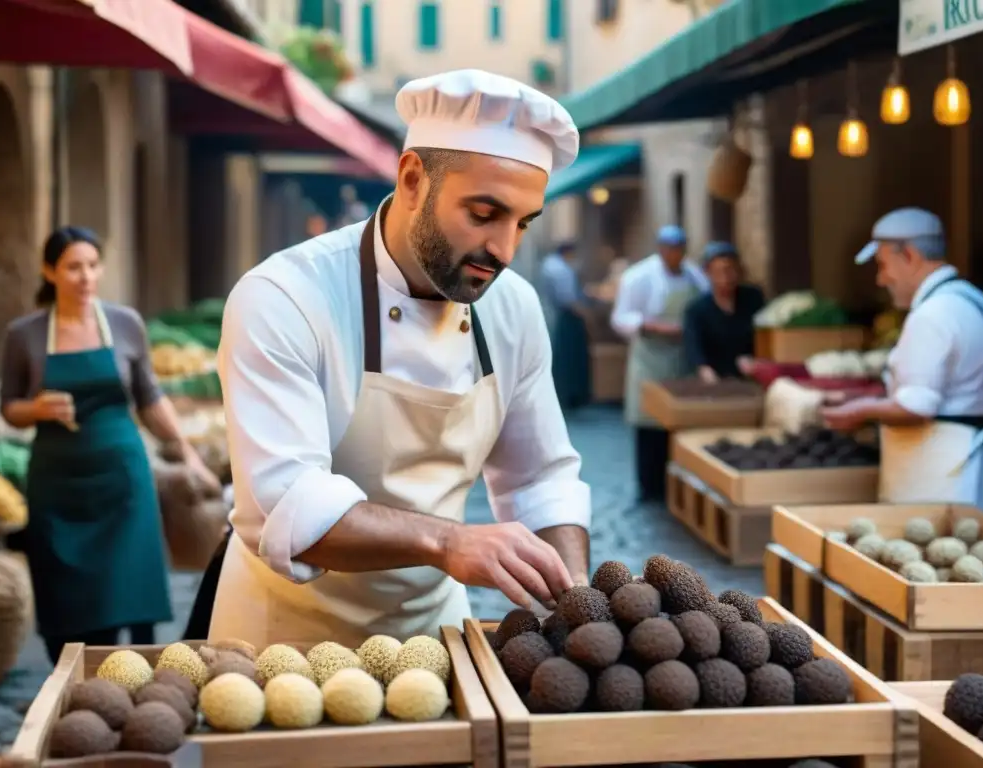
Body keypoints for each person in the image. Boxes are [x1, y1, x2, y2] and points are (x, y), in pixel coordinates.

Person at [201, 69, 591, 649]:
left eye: (523, 224)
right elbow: (290, 505)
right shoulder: (284, 297)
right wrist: (450, 543)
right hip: (281, 642)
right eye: (484, 215)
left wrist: (577, 594)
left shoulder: (515, 308)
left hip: (437, 637)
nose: (504, 251)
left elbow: (539, 477)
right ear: (412, 179)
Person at [0, 226, 221, 663]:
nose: (85, 277)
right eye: (73, 267)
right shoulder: (24, 334)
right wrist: (36, 409)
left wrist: (187, 453)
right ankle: (69, 680)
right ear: (49, 271)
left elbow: (150, 398)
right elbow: (9, 405)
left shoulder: (124, 324)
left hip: (122, 474)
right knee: (65, 595)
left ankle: (138, 677)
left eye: (92, 266)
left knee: (132, 584)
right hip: (58, 479)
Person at [821, 208, 983, 512]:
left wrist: (858, 411)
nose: (881, 279)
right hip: (960, 463)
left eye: (883, 265)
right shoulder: (973, 300)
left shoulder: (932, 315)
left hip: (938, 474)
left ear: (908, 255)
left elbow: (916, 406)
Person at [611, 225, 709, 501]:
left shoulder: (693, 276)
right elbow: (621, 318)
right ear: (660, 249)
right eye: (670, 249)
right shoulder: (638, 277)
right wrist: (653, 326)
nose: (675, 255)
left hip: (681, 359)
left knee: (676, 421)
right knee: (648, 422)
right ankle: (649, 485)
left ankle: (673, 484)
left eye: (680, 250)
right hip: (650, 359)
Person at [683, 241, 765, 384]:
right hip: (715, 380)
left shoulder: (753, 299)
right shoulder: (696, 310)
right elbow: (694, 350)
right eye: (719, 271)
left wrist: (758, 364)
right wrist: (706, 372)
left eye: (731, 270)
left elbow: (765, 336)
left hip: (752, 377)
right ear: (708, 272)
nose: (726, 278)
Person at [539, 241, 591, 411]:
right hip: (567, 318)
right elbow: (569, 300)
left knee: (562, 358)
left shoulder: (550, 265)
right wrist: (587, 315)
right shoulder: (562, 269)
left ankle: (563, 395)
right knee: (569, 359)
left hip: (559, 316)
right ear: (568, 253)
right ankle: (570, 397)